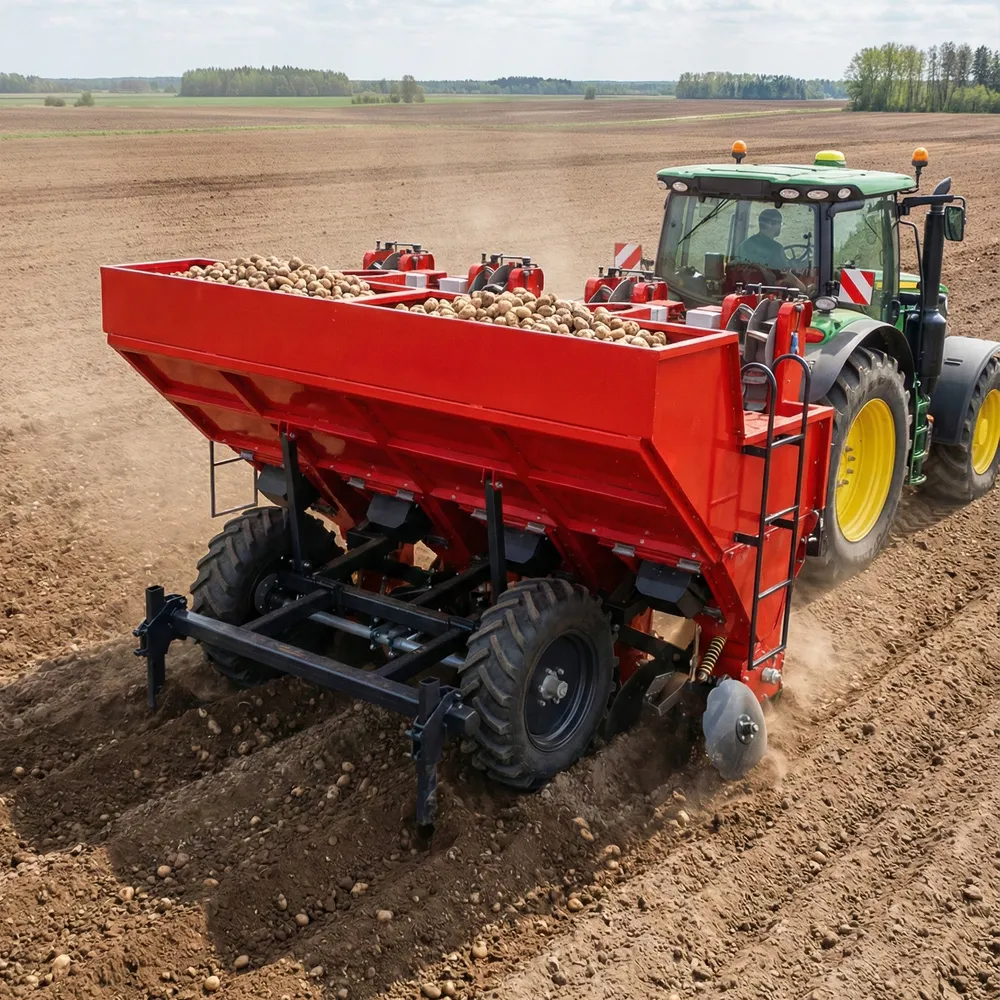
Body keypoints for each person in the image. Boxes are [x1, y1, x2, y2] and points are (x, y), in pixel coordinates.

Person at [735, 208, 808, 291]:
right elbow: (787, 275)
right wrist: (804, 289)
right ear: (770, 224)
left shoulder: (744, 245)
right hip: (768, 292)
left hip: (745, 289)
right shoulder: (776, 248)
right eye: (780, 223)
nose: (780, 226)